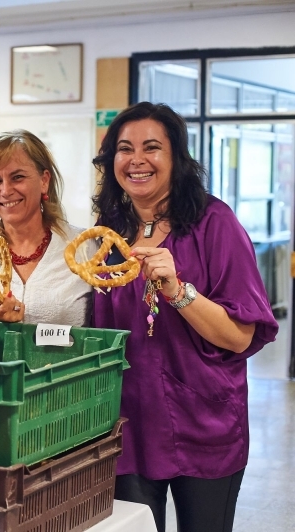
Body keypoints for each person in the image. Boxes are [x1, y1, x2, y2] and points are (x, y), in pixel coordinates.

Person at [90, 102, 277, 532]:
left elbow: (239, 336)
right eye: (124, 148)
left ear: (177, 159)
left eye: (152, 147)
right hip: (129, 425)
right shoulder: (109, 231)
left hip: (204, 423)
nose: (137, 160)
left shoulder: (216, 224)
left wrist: (177, 290)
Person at [0, 129, 95, 337]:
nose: (6, 190)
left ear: (44, 181)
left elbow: (108, 322)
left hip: (71, 369)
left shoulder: (85, 247)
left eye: (17, 177)